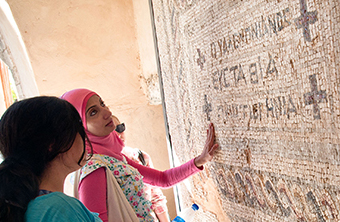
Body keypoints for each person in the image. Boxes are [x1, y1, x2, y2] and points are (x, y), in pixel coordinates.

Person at [61, 88, 219, 222]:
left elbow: (162, 179)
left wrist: (201, 160)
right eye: (93, 112)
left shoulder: (116, 159)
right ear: (80, 126)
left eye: (102, 104)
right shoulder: (94, 169)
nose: (107, 113)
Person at [0, 96, 102, 222]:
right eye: (78, 127)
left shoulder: (21, 206)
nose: (85, 137)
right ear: (53, 144)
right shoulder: (59, 209)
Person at [112, 115, 170, 222]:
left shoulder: (141, 156)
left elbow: (156, 195)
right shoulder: (104, 167)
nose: (119, 135)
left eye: (120, 128)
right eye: (112, 132)